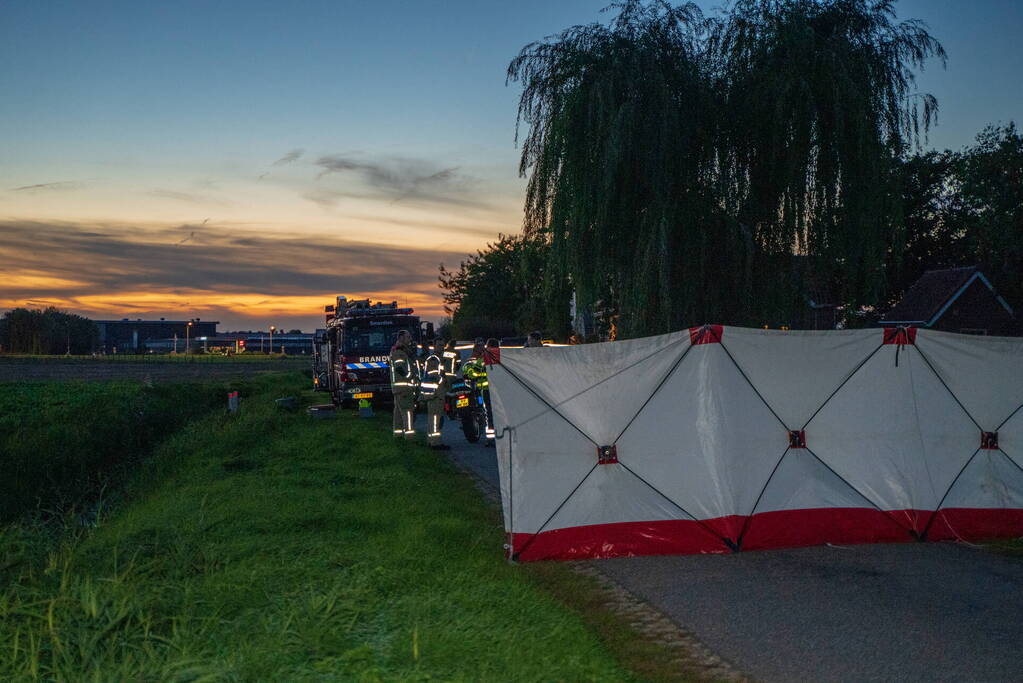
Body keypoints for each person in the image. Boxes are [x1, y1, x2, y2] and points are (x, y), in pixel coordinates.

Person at [420, 339, 450, 450]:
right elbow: (434, 375)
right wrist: (444, 381)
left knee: (434, 418)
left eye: (443, 345)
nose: (441, 348)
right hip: (435, 394)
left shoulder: (439, 359)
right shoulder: (434, 359)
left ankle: (431, 441)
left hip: (436, 393)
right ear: (434, 346)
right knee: (435, 418)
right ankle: (435, 443)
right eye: (439, 345)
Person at [389, 330, 418, 439]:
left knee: (398, 413)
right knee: (408, 412)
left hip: (399, 388)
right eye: (408, 337)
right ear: (401, 338)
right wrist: (410, 377)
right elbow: (399, 368)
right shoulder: (399, 352)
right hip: (404, 388)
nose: (410, 339)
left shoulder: (400, 351)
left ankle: (398, 436)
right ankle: (409, 437)